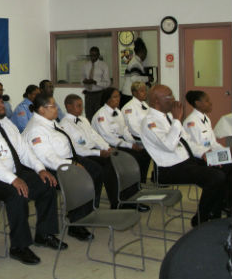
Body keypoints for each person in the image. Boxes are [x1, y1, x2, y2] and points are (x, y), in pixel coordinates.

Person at [0, 89, 66, 266]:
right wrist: (13, 179)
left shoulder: (7, 124)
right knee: (17, 194)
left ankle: (44, 234)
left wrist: (40, 169)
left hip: (14, 171)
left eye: (1, 102)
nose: (1, 106)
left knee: (47, 183)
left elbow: (24, 151)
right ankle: (19, 247)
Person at [140, 84, 226, 226]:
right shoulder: (150, 123)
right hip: (170, 168)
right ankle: (200, 219)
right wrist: (176, 121)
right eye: (169, 96)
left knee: (226, 167)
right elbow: (169, 145)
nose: (173, 99)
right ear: (156, 101)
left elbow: (188, 141)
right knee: (216, 177)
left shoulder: (167, 117)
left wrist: (203, 153)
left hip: (187, 161)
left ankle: (215, 212)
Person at [23, 93, 104, 241]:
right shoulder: (36, 129)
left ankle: (87, 212)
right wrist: (72, 164)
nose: (56, 108)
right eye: (53, 106)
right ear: (41, 110)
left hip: (68, 158)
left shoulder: (51, 121)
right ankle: (76, 225)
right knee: (81, 180)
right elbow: (47, 158)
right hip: (53, 166)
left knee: (96, 171)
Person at [60, 94, 147, 211]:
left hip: (94, 151)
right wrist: (99, 153)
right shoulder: (64, 124)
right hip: (82, 155)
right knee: (108, 167)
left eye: (82, 106)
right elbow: (76, 149)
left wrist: (107, 148)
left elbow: (95, 136)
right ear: (68, 107)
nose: (81, 109)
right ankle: (116, 202)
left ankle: (128, 198)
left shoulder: (83, 119)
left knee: (120, 160)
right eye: (78, 106)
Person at [184, 90, 231, 213]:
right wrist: (211, 157)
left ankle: (224, 203)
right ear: (198, 103)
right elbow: (193, 147)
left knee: (230, 166)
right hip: (199, 159)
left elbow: (213, 143)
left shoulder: (206, 119)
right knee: (225, 171)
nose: (210, 103)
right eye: (207, 101)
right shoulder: (191, 122)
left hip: (211, 155)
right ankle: (219, 205)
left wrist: (226, 152)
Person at [92, 87, 151, 185]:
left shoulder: (118, 112)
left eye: (118, 96)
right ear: (107, 99)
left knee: (144, 153)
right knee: (133, 157)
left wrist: (133, 142)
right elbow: (108, 137)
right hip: (108, 145)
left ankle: (140, 181)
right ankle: (129, 183)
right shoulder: (101, 115)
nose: (118, 99)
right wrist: (129, 146)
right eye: (115, 97)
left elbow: (125, 130)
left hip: (120, 142)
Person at [120, 38, 151, 108]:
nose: (145, 56)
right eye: (145, 53)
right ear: (142, 52)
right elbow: (134, 78)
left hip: (127, 94)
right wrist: (147, 78)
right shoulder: (135, 63)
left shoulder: (136, 62)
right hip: (129, 95)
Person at [82, 46, 110, 121]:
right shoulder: (85, 66)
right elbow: (82, 79)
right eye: (91, 55)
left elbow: (107, 83)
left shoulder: (103, 65)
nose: (93, 57)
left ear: (98, 55)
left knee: (99, 116)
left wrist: (95, 82)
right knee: (89, 115)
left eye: (95, 55)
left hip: (99, 94)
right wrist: (85, 82)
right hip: (88, 94)